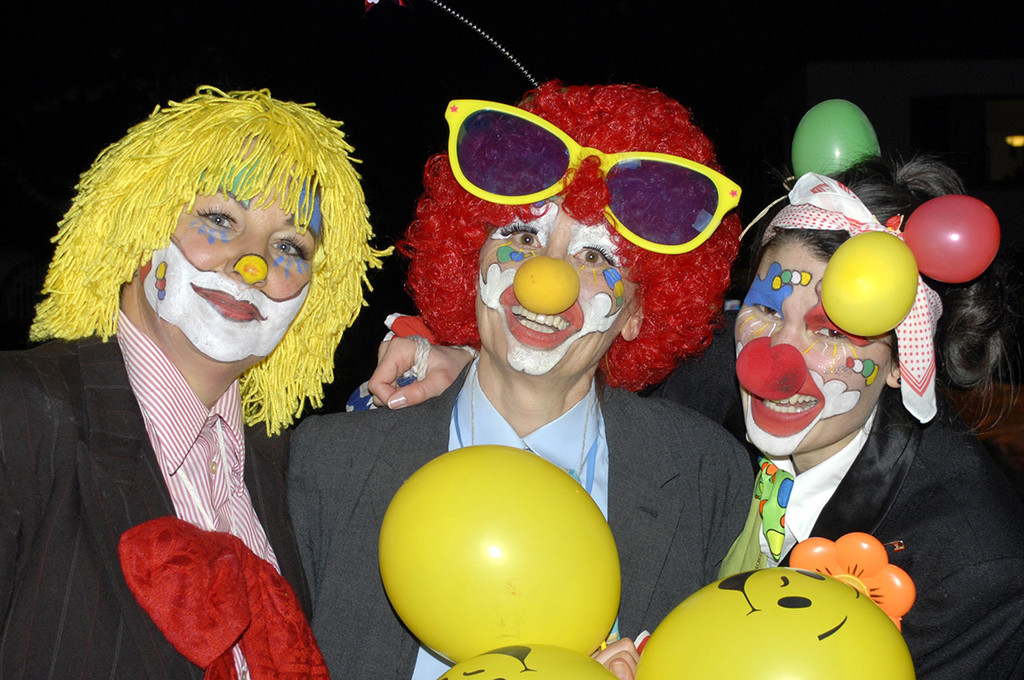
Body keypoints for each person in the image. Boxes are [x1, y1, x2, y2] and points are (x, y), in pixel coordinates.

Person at [287, 81, 753, 680]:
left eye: (595, 257)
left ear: (640, 311)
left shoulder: (705, 474)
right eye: (524, 236)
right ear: (469, 258)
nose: (545, 279)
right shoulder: (327, 466)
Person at [0, 86, 389, 680]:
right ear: (139, 219)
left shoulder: (288, 469)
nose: (253, 265)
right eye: (219, 219)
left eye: (290, 246)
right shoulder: (21, 409)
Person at [715, 158, 1024, 678]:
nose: (776, 361)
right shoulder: (694, 401)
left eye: (831, 332)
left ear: (905, 362)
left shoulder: (972, 566)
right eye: (766, 311)